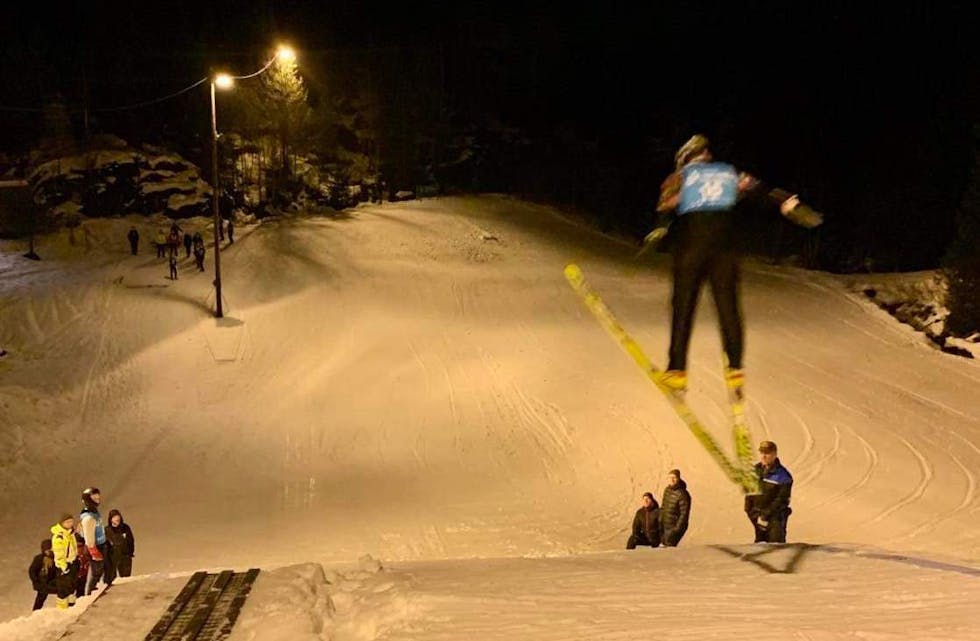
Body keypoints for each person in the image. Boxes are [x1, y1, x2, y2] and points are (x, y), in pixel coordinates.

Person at [646, 134, 819, 396]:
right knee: (728, 305)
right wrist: (789, 204)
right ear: (706, 154)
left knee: (683, 305)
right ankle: (735, 370)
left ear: (684, 158)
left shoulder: (680, 176)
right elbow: (761, 190)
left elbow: (666, 204)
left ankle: (677, 371)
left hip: (693, 241)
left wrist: (660, 228)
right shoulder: (730, 172)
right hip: (725, 242)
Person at [744, 441, 793, 543]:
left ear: (775, 454)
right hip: (758, 517)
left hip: (775, 520)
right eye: (762, 453)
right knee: (759, 546)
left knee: (776, 549)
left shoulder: (783, 476)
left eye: (767, 453)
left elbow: (782, 500)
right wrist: (749, 508)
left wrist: (766, 514)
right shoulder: (755, 470)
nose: (764, 456)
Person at [79, 487, 107, 595]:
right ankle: (90, 592)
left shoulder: (94, 512)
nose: (98, 499)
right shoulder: (88, 518)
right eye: (94, 498)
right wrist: (93, 551)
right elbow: (88, 536)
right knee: (97, 572)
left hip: (100, 543)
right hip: (95, 547)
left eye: (98, 497)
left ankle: (95, 588)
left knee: (101, 569)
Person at [50, 513, 78, 609]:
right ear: (62, 523)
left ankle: (71, 605)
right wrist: (63, 566)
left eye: (71, 521)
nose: (70, 524)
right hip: (64, 566)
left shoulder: (70, 533)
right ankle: (62, 609)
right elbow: (59, 554)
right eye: (67, 522)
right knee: (63, 589)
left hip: (72, 561)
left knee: (71, 586)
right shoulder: (59, 537)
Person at [659, 469, 691, 546]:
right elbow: (663, 507)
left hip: (674, 528)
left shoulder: (683, 494)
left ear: (678, 479)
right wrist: (660, 520)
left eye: (674, 477)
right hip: (664, 526)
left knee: (668, 547)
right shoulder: (667, 490)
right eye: (670, 477)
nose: (672, 480)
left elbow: (684, 514)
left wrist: (676, 529)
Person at [104, 509, 135, 583]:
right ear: (111, 519)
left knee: (126, 578)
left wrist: (130, 553)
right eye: (114, 517)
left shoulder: (125, 527)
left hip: (125, 556)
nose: (117, 519)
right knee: (111, 579)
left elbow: (131, 540)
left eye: (118, 517)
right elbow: (105, 545)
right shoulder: (107, 530)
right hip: (113, 558)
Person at [28, 539, 58, 610]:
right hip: (42, 583)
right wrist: (36, 580)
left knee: (62, 594)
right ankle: (36, 611)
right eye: (47, 551)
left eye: (51, 551)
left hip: (52, 582)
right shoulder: (39, 559)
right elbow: (32, 570)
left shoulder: (56, 559)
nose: (49, 553)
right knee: (40, 597)